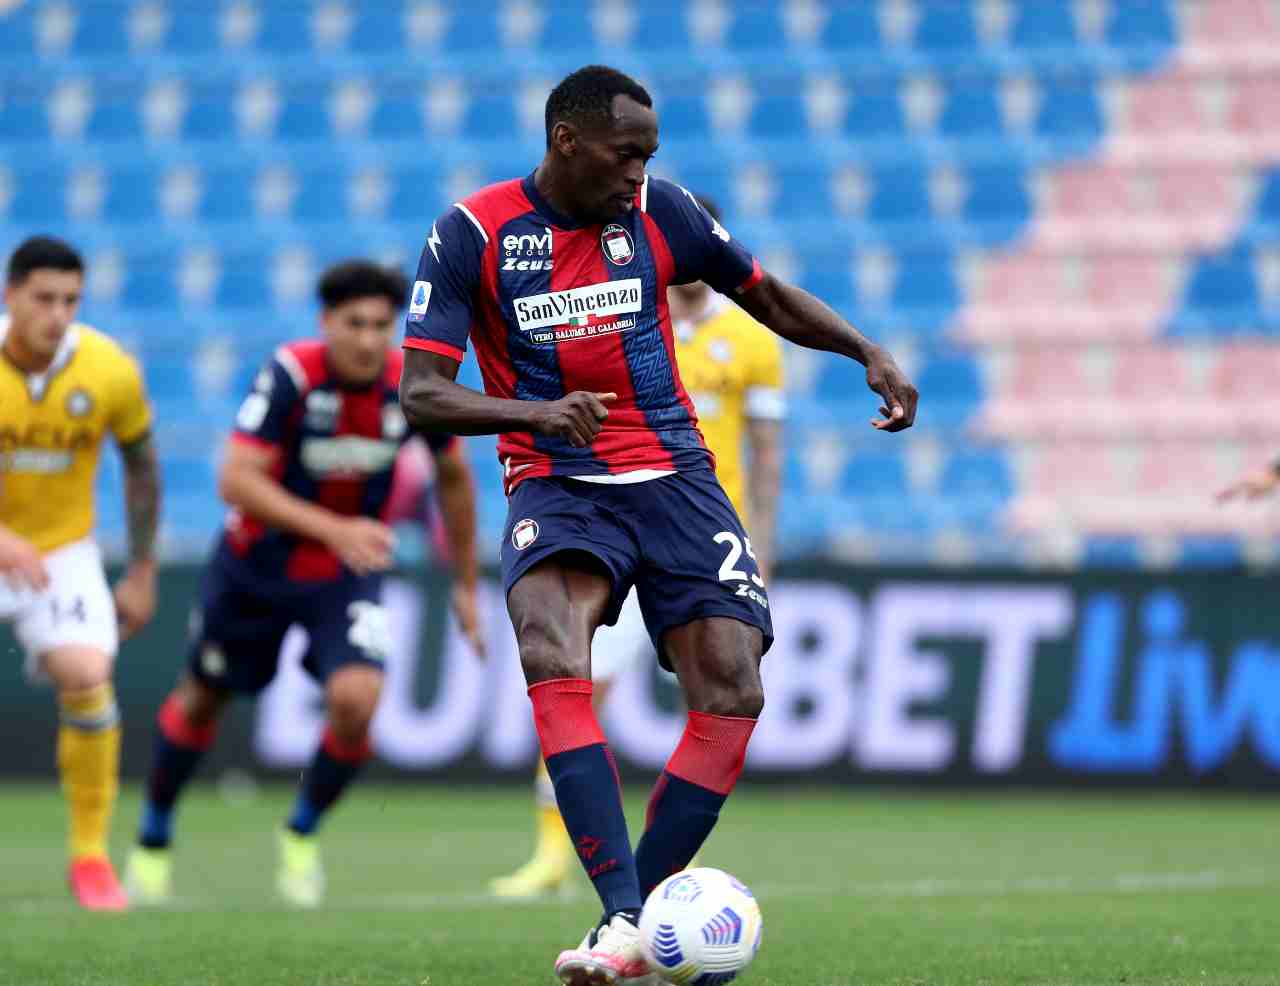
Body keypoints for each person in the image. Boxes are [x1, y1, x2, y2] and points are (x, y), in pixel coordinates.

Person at [399, 65, 917, 985]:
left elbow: (763, 291)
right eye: (626, 153)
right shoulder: (472, 234)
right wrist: (535, 413)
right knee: (552, 648)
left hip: (675, 475)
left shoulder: (663, 213)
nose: (640, 173)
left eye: (650, 156)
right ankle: (623, 913)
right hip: (558, 478)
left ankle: (627, 928)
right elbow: (423, 393)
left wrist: (864, 350)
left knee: (734, 688)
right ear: (567, 141)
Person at [124, 260, 481, 908]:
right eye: (355, 324)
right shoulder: (292, 373)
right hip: (255, 568)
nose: (370, 339)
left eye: (381, 325)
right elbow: (235, 479)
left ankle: (302, 834)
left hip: (344, 576)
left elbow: (455, 480)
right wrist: (333, 527)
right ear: (326, 323)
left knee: (358, 699)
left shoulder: (411, 388)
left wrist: (462, 582)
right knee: (203, 699)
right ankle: (153, 836)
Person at [488, 191, 786, 900]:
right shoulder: (624, 313)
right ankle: (557, 854)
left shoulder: (751, 340)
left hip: (701, 528)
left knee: (725, 692)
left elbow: (767, 450)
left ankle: (651, 886)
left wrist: (759, 543)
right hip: (612, 524)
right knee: (580, 682)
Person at [0, 235, 160, 911]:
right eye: (44, 299)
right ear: (11, 297)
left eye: (71, 300)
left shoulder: (108, 369)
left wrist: (144, 568)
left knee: (89, 676)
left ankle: (90, 857)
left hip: (60, 549)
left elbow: (143, 466)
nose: (58, 314)